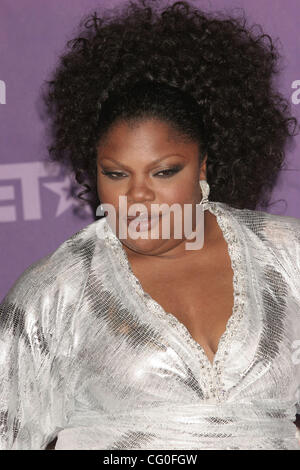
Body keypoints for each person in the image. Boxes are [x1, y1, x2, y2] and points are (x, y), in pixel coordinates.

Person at [1, 0, 300, 450]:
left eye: (164, 172)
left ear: (203, 168)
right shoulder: (54, 292)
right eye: (116, 174)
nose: (138, 195)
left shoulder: (286, 255)